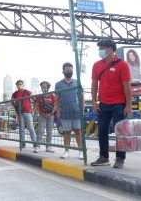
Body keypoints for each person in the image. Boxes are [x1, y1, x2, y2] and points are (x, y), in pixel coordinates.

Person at [91, 39, 132, 169]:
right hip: (103, 103)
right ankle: (104, 157)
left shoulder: (123, 65)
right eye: (100, 48)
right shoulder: (97, 65)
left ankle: (120, 158)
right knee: (102, 130)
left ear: (110, 49)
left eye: (102, 48)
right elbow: (94, 84)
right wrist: (94, 102)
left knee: (120, 132)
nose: (100, 51)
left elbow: (127, 86)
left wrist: (129, 105)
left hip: (119, 104)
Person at [55, 63, 83, 160]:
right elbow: (57, 99)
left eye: (70, 70)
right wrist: (57, 111)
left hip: (76, 111)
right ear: (63, 71)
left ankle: (81, 151)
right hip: (65, 112)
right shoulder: (58, 84)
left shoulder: (77, 82)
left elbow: (81, 97)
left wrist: (82, 110)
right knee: (67, 132)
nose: (69, 72)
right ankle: (66, 151)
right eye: (67, 70)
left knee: (78, 132)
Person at [11, 80, 37, 149]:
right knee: (21, 129)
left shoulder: (27, 92)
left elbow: (34, 99)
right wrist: (15, 107)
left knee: (31, 128)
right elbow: (11, 100)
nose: (19, 85)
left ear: (23, 85)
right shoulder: (15, 93)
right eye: (18, 84)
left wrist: (33, 108)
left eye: (20, 84)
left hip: (28, 112)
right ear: (16, 86)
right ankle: (23, 143)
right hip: (20, 113)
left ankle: (35, 143)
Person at [34, 81, 57, 153]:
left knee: (49, 131)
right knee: (40, 131)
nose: (43, 87)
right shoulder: (39, 96)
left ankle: (48, 146)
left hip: (50, 115)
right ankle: (37, 146)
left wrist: (52, 113)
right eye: (42, 86)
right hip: (42, 115)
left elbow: (55, 105)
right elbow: (37, 106)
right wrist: (42, 113)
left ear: (48, 87)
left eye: (45, 86)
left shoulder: (52, 96)